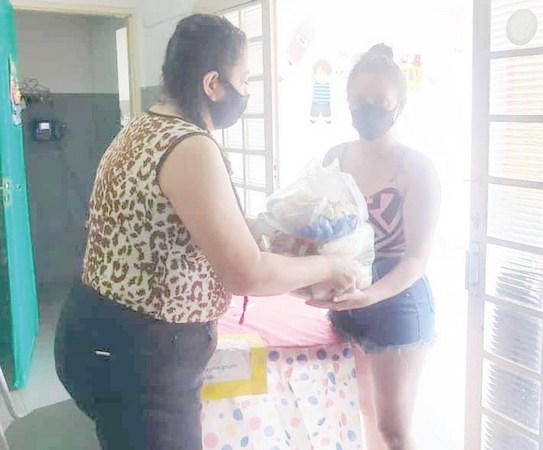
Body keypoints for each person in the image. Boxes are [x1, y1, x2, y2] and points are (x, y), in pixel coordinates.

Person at [54, 14, 358, 450]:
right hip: (139, 355)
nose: (248, 91)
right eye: (245, 79)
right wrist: (329, 265)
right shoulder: (190, 147)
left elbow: (193, 226)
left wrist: (275, 240)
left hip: (94, 332)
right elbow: (246, 274)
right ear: (213, 84)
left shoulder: (142, 128)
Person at [311, 43, 441, 450]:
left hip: (397, 299)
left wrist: (369, 295)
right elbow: (321, 226)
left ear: (399, 104)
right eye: (359, 100)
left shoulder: (415, 167)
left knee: (394, 429)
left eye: (380, 100)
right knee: (364, 413)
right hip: (348, 293)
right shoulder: (335, 156)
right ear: (347, 101)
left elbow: (416, 260)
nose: (368, 108)